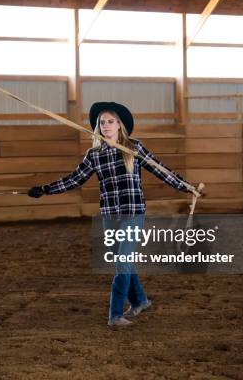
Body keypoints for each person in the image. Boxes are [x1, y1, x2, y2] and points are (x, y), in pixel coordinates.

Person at [28, 101, 199, 327]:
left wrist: (186, 187)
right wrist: (45, 189)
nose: (106, 125)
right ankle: (140, 300)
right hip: (110, 215)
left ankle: (115, 314)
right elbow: (74, 179)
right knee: (123, 262)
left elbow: (159, 169)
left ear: (119, 125)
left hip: (133, 212)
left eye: (110, 121)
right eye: (102, 122)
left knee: (121, 262)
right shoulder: (94, 155)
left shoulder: (134, 148)